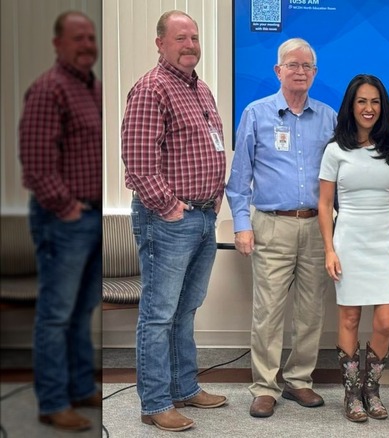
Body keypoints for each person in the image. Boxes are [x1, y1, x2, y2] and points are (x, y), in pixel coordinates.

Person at [121, 10, 227, 432]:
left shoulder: (198, 88)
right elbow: (139, 162)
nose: (190, 45)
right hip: (168, 220)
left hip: (201, 217)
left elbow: (211, 147)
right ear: (160, 43)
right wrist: (167, 207)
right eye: (181, 38)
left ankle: (184, 388)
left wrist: (214, 198)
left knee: (186, 310)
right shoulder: (152, 88)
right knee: (158, 314)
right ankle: (155, 402)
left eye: (195, 37)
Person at [226, 37, 336, 419]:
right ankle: (265, 387)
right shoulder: (255, 114)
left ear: (315, 73)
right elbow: (239, 179)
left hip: (317, 227)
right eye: (293, 64)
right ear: (278, 70)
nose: (300, 71)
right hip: (271, 226)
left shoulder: (329, 117)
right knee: (268, 312)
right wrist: (242, 225)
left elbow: (337, 178)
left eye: (307, 66)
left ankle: (300, 381)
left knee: (311, 311)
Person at [18, 11, 102, 433]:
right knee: (55, 314)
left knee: (82, 310)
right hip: (64, 219)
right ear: (57, 44)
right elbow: (35, 164)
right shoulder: (49, 89)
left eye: (90, 37)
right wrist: (67, 207)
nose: (87, 44)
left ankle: (80, 385)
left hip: (93, 217)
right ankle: (52, 401)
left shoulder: (92, 89)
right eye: (77, 38)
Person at [318, 74, 389, 422]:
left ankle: (372, 390)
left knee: (385, 322)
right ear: (351, 106)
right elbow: (325, 205)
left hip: (385, 241)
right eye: (361, 101)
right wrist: (330, 249)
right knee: (351, 317)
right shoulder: (334, 150)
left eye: (374, 101)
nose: (368, 108)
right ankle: (351, 394)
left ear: (382, 106)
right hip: (349, 240)